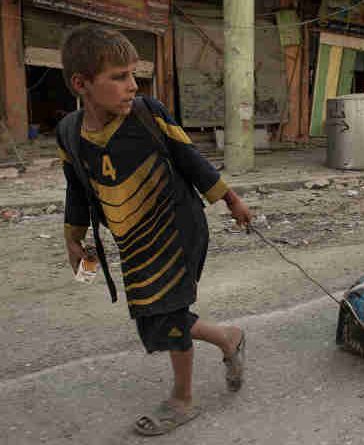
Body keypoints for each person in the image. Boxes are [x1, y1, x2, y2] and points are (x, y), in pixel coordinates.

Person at [56, 24, 252, 436]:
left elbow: (191, 160)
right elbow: (77, 188)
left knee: (168, 311)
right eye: (118, 77)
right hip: (133, 240)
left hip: (180, 229)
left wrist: (232, 202)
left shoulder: (148, 113)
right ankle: (228, 337)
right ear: (82, 83)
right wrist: (73, 238)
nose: (132, 86)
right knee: (153, 314)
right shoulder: (69, 134)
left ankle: (182, 400)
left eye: (133, 75)